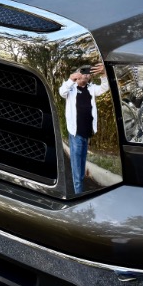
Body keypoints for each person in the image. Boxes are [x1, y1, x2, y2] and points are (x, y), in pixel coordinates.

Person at [58, 62, 109, 193]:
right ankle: (78, 193)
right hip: (76, 133)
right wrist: (70, 79)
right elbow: (61, 92)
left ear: (90, 77)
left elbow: (104, 87)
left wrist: (103, 74)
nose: (84, 75)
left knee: (82, 161)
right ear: (76, 74)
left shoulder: (91, 89)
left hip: (87, 132)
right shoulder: (71, 88)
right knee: (77, 165)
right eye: (82, 72)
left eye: (87, 73)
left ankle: (80, 188)